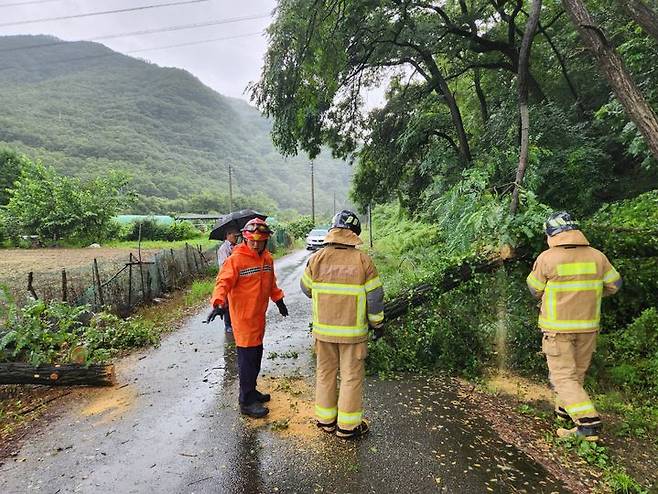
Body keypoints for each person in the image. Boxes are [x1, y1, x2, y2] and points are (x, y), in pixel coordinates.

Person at [527, 211, 622, 441]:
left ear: (552, 234)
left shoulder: (548, 258)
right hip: (588, 328)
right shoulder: (598, 257)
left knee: (563, 377)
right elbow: (615, 285)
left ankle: (588, 424)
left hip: (558, 330)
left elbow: (534, 289)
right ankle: (565, 413)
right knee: (575, 375)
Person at [300, 210, 384, 439]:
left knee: (325, 373)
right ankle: (346, 428)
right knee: (350, 377)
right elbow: (375, 298)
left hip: (323, 332)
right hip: (353, 334)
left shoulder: (317, 258)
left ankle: (325, 422)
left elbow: (305, 289)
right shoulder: (363, 260)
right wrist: (378, 325)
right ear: (353, 234)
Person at [207, 218, 289, 418]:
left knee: (256, 356)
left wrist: (278, 301)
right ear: (245, 238)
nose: (255, 244)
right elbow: (223, 282)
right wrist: (218, 303)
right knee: (247, 361)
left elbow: (271, 284)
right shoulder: (235, 259)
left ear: (265, 241)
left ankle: (252, 391)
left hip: (259, 317)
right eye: (252, 241)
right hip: (243, 319)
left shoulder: (267, 259)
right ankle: (246, 401)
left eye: (259, 241)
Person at [216, 227, 240, 334]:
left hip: (237, 277)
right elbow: (223, 265)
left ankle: (235, 322)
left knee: (236, 300)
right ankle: (228, 325)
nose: (236, 238)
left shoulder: (237, 247)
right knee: (227, 302)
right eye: (235, 236)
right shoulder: (223, 249)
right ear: (228, 235)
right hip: (227, 277)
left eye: (237, 236)